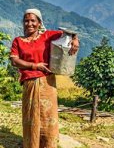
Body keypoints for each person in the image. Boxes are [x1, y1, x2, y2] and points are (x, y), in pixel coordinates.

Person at [10, 8, 79, 148]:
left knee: (48, 117)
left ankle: (48, 145)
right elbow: (14, 61)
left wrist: (75, 40)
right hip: (30, 84)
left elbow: (69, 34)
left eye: (33, 21)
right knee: (31, 116)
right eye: (26, 21)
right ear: (23, 23)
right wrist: (35, 66)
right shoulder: (18, 41)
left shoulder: (47, 36)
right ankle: (31, 144)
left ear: (39, 23)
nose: (29, 23)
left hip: (47, 83)